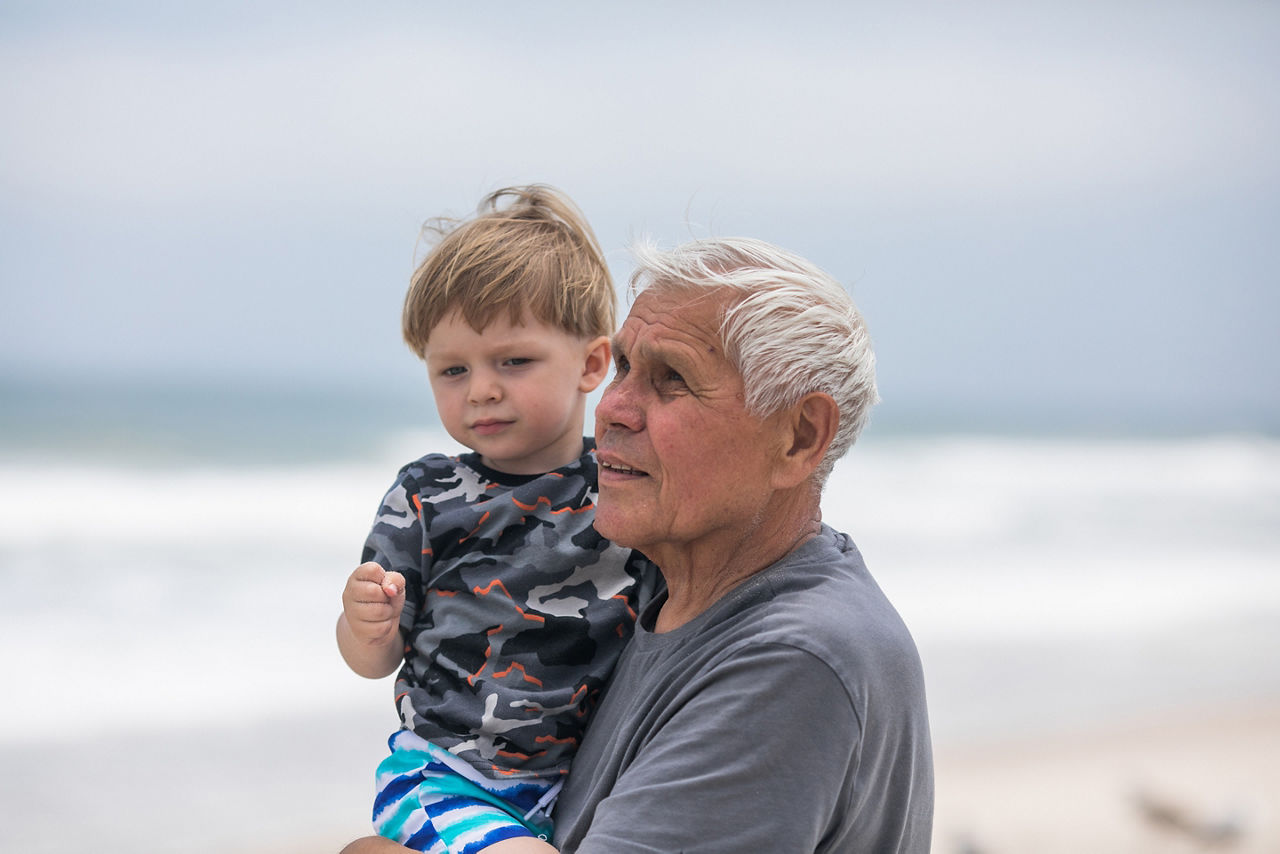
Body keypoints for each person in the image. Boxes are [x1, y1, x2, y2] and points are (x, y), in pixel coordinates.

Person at [344, 233, 934, 854]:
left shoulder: (793, 658)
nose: (613, 409)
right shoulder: (663, 590)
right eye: (625, 367)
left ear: (799, 436)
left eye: (672, 379)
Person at [337, 185, 658, 854]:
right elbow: (374, 660)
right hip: (447, 779)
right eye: (452, 369)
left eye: (514, 360)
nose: (481, 387)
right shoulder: (428, 494)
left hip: (580, 783)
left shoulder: (627, 485)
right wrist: (365, 624)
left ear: (592, 364)